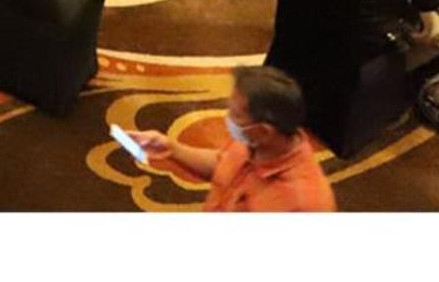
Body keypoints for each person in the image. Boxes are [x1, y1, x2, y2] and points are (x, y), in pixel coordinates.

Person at [129, 66, 337, 212]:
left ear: (264, 131)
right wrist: (172, 149)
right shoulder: (254, 141)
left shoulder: (304, 204)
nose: (227, 118)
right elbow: (223, 164)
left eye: (236, 115)